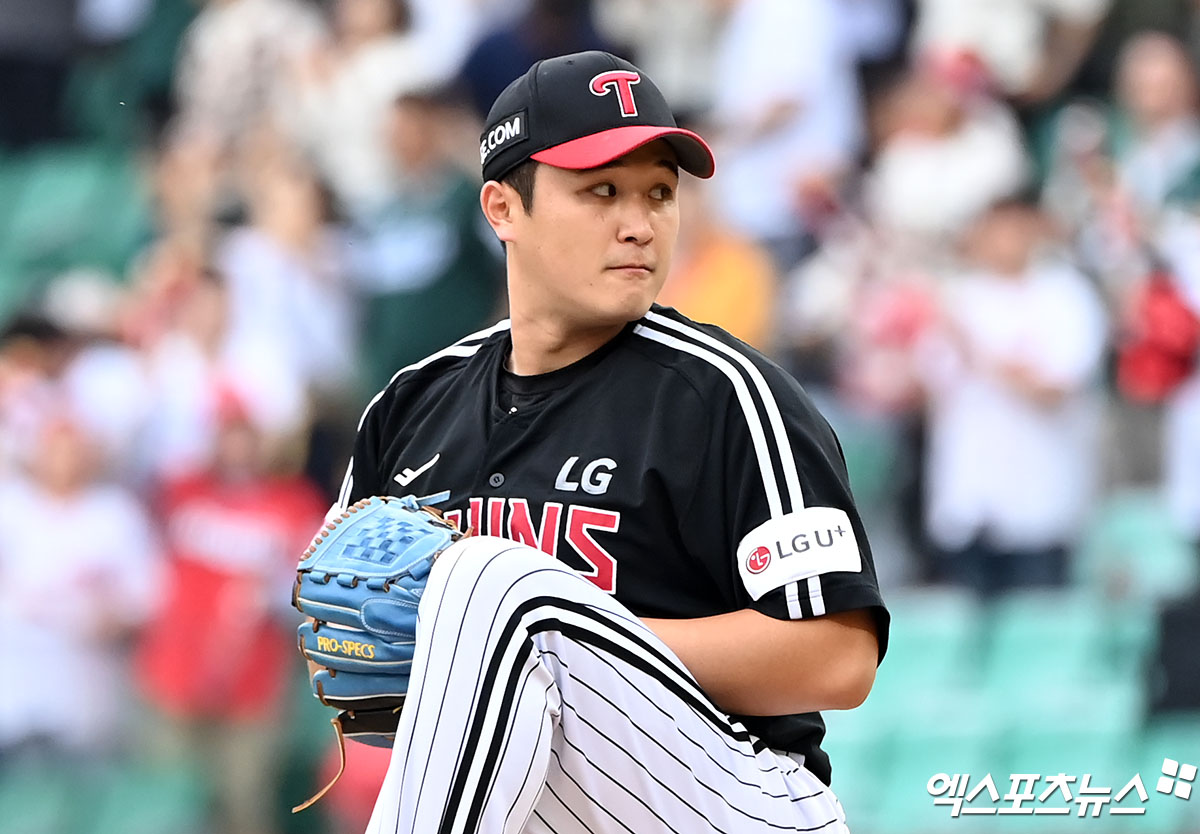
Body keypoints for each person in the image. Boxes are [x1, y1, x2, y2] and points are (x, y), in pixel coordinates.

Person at [314, 51, 888, 833]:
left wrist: (557, 642)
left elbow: (838, 659)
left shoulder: (725, 394)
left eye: (659, 192)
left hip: (733, 799)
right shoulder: (412, 405)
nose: (639, 223)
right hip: (540, 807)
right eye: (601, 191)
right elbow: (347, 649)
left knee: (499, 590)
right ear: (502, 209)